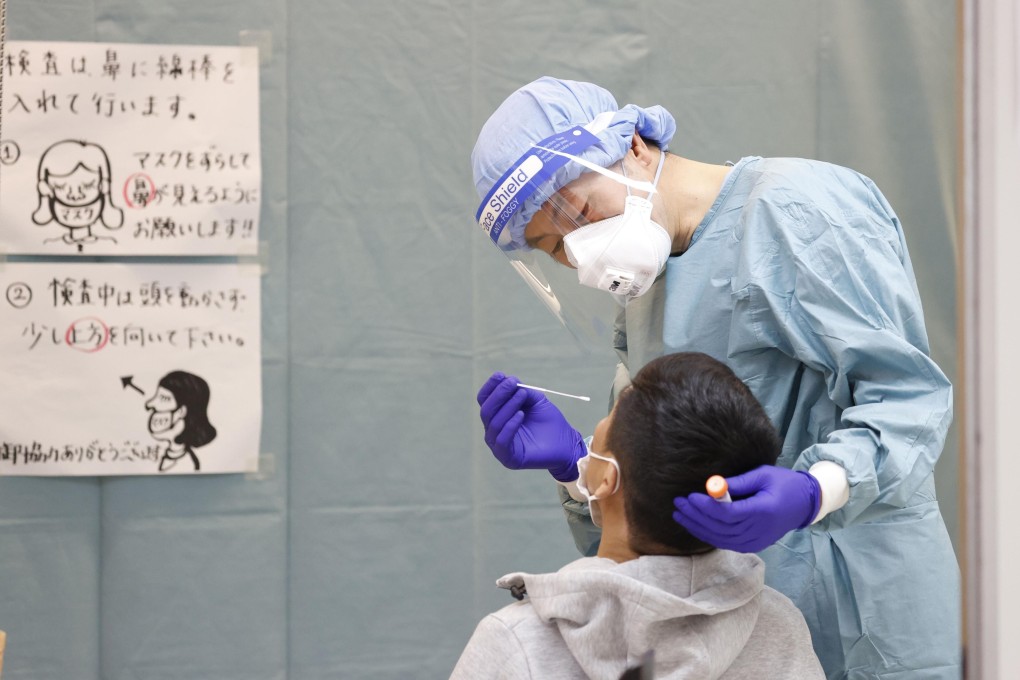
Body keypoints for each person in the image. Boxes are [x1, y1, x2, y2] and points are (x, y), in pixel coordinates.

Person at [470, 77, 959, 679]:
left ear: (636, 148)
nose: (580, 252)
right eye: (555, 247)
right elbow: (649, 494)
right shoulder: (648, 292)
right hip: (730, 631)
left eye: (582, 215)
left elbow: (909, 397)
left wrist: (815, 491)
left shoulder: (800, 211)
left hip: (866, 612)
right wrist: (580, 469)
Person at [454, 353, 824, 679]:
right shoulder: (778, 627)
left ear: (605, 477)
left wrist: (574, 468)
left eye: (609, 417)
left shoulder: (520, 643)